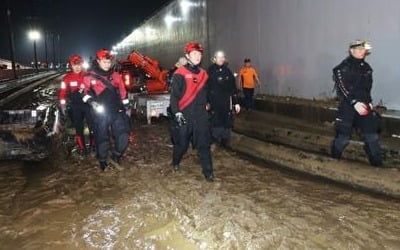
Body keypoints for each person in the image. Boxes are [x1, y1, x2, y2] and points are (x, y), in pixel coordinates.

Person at [331, 40, 383, 167]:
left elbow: (367, 88)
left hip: (364, 106)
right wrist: (354, 103)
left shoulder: (367, 68)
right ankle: (332, 160)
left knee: (371, 136)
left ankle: (377, 165)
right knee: (343, 137)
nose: (361, 52)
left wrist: (369, 102)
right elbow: (342, 88)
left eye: (363, 49)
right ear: (351, 51)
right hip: (348, 107)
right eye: (358, 49)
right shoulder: (342, 68)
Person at [170, 42, 214, 182]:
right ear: (187, 56)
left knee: (204, 144)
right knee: (182, 144)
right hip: (185, 114)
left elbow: (208, 92)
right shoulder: (180, 73)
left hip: (200, 115)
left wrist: (209, 103)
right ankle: (175, 162)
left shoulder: (204, 74)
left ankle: (208, 173)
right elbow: (174, 96)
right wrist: (177, 112)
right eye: (194, 54)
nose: (197, 56)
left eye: (199, 54)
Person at [82, 49, 130, 171]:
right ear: (98, 61)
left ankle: (116, 156)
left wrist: (126, 105)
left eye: (109, 62)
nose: (107, 64)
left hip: (116, 110)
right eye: (104, 62)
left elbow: (123, 91)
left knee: (123, 136)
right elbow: (84, 92)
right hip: (101, 112)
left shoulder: (116, 75)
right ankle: (103, 160)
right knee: (102, 137)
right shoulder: (89, 76)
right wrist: (91, 102)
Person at [59, 54, 94, 155]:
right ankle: (82, 148)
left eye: (79, 64)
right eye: (75, 65)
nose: (77, 67)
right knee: (79, 128)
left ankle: (93, 146)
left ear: (82, 64)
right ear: (71, 65)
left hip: (88, 105)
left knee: (92, 125)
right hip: (75, 106)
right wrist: (63, 105)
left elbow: (94, 88)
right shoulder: (67, 78)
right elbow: (62, 93)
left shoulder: (87, 75)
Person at [207, 51, 240, 147]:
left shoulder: (228, 71)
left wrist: (236, 102)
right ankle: (215, 139)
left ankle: (225, 139)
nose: (221, 59)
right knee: (216, 120)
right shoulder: (210, 71)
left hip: (226, 101)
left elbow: (233, 88)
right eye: (219, 57)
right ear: (214, 59)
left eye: (222, 57)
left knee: (227, 119)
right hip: (214, 102)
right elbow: (206, 88)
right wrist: (207, 101)